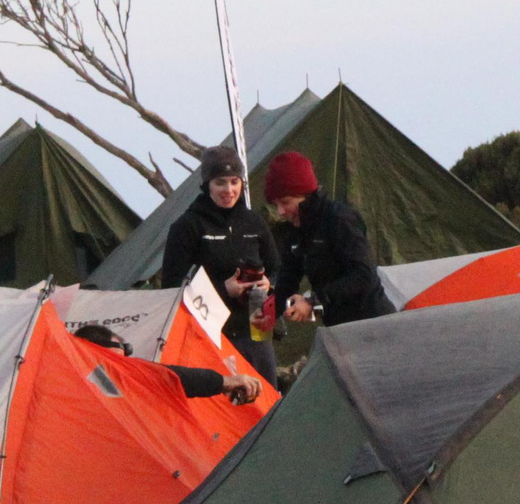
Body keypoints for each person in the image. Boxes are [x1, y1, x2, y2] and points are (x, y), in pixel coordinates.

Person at [160, 146, 285, 383]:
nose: (228, 190)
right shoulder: (187, 226)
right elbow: (171, 289)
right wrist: (222, 289)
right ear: (207, 184)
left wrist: (269, 284)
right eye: (220, 183)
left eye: (234, 182)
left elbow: (278, 268)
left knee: (268, 405)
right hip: (213, 335)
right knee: (227, 405)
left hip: (258, 331)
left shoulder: (253, 222)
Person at [264, 150, 392, 329]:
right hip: (338, 329)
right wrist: (265, 315)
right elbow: (288, 278)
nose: (280, 212)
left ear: (305, 195)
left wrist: (313, 300)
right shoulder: (295, 229)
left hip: (374, 323)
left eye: (285, 202)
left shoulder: (339, 218)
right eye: (276, 204)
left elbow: (363, 275)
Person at [70, 322, 265, 404]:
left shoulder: (70, 386)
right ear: (101, 347)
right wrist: (224, 381)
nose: (128, 355)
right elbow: (171, 377)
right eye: (124, 347)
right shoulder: (114, 375)